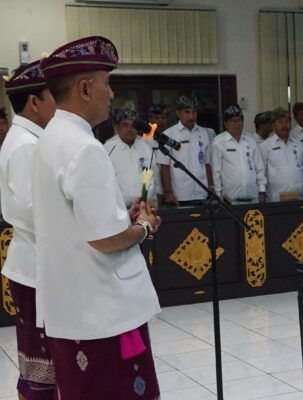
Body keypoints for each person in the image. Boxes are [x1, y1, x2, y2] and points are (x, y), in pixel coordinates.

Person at [34, 35, 162, 399]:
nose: (112, 93)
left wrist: (121, 215)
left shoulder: (50, 138)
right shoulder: (85, 148)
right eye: (107, 83)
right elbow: (105, 240)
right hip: (102, 311)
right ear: (86, 88)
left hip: (69, 306)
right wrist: (143, 226)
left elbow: (76, 220)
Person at [0, 59, 57, 400]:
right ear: (34, 102)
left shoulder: (29, 138)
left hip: (40, 265)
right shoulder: (25, 144)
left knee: (40, 365)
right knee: (40, 369)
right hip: (35, 267)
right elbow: (29, 209)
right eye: (53, 96)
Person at [157, 95, 214, 206]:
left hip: (203, 193)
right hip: (180, 195)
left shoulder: (204, 133)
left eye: (194, 112)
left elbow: (207, 164)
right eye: (187, 112)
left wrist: (211, 187)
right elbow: (164, 166)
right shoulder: (169, 134)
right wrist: (168, 193)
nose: (191, 116)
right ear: (178, 113)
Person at [211, 105, 266, 202]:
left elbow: (260, 168)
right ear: (225, 124)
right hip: (230, 199)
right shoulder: (218, 142)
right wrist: (218, 194)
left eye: (239, 120)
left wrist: (262, 190)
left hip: (253, 197)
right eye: (233, 121)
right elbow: (216, 172)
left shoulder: (251, 140)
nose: (237, 124)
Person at [104, 108, 155, 207]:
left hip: (145, 207)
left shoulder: (146, 149)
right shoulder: (107, 149)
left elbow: (151, 178)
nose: (130, 129)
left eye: (133, 125)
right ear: (117, 127)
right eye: (125, 125)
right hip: (119, 208)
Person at [259, 107, 303, 201]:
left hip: (300, 197)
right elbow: (262, 173)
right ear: (273, 125)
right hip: (276, 199)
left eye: (287, 121)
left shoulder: (298, 145)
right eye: (280, 122)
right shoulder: (265, 146)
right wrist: (262, 193)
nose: (284, 125)